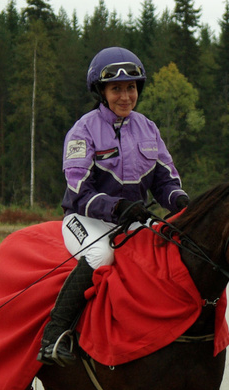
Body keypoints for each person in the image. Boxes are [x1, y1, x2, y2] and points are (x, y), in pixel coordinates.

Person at [38, 46, 190, 367]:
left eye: (131, 87)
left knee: (165, 251)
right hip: (85, 219)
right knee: (101, 255)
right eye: (116, 89)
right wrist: (118, 208)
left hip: (131, 219)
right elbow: (80, 191)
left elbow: (165, 181)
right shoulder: (82, 130)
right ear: (101, 92)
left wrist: (181, 202)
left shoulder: (148, 128)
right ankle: (54, 336)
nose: (125, 96)